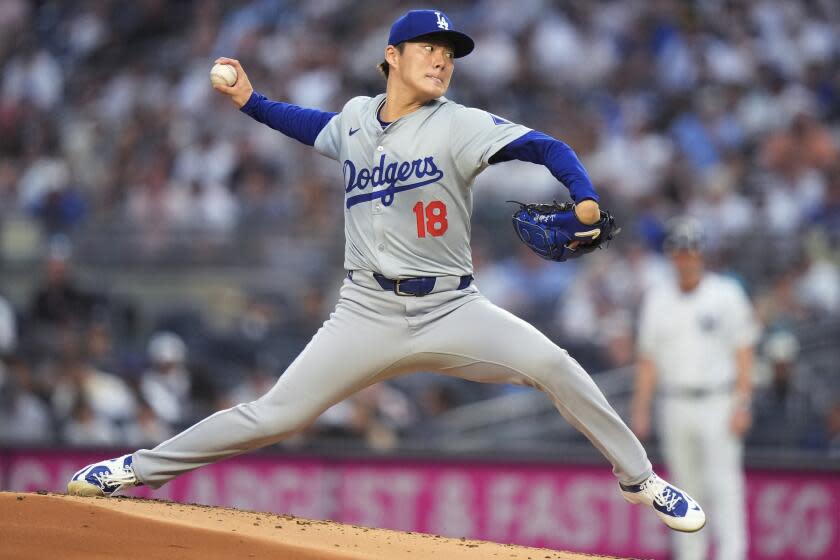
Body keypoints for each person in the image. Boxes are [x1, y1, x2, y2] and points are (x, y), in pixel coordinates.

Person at [68, 9, 704, 534]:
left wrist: (583, 194)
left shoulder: (458, 124)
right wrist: (251, 101)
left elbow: (547, 147)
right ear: (392, 55)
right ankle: (138, 470)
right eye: (429, 47)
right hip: (364, 312)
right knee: (273, 416)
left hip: (453, 309)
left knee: (555, 366)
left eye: (449, 54)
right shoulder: (353, 119)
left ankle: (639, 478)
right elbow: (315, 127)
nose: (442, 60)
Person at [631, 217, 758, 559]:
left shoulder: (726, 293)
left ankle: (733, 554)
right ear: (671, 256)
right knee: (682, 491)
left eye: (691, 251)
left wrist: (743, 403)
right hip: (674, 401)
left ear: (702, 254)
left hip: (718, 398)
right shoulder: (657, 298)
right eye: (679, 251)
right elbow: (648, 359)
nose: (685, 258)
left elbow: (744, 350)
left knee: (724, 486)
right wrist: (640, 409)